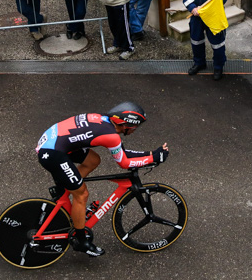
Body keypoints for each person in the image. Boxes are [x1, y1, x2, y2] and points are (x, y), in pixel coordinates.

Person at [36, 102, 169, 257]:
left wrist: (152, 154)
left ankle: (65, 189)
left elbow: (123, 152)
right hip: (52, 153)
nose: (135, 130)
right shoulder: (111, 136)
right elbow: (124, 162)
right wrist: (153, 159)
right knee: (81, 194)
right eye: (135, 127)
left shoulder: (103, 120)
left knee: (93, 160)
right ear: (126, 124)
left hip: (52, 143)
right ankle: (81, 241)